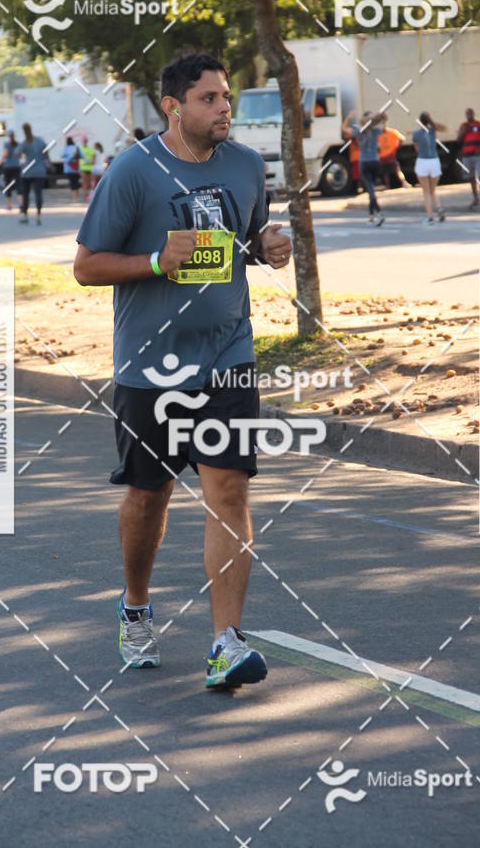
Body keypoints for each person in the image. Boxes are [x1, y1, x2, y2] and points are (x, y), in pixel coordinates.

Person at [73, 53, 292, 690]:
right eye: (209, 99)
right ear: (175, 107)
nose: (225, 108)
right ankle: (136, 606)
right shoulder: (134, 170)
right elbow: (87, 266)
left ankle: (226, 642)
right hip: (151, 365)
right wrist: (154, 259)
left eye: (227, 97)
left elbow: (245, 244)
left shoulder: (247, 165)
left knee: (229, 489)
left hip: (229, 356)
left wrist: (268, 250)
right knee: (149, 496)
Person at [342, 109, 386, 225]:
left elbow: (344, 129)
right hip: (375, 162)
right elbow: (384, 126)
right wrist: (381, 118)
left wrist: (348, 117)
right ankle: (371, 216)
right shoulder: (376, 130)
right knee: (370, 189)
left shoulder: (358, 130)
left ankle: (379, 213)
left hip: (364, 162)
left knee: (371, 190)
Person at [412, 112, 447, 225]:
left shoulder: (416, 134)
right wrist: (433, 123)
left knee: (426, 192)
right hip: (434, 161)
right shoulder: (433, 131)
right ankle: (439, 207)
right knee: (433, 190)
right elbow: (445, 128)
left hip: (422, 161)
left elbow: (417, 149)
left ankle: (430, 217)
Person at [15, 122, 49, 225]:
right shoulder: (40, 140)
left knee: (26, 194)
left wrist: (23, 157)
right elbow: (46, 153)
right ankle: (38, 215)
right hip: (40, 171)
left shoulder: (25, 142)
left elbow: (17, 153)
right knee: (38, 194)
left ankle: (25, 215)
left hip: (27, 171)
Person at [457, 108, 480, 208]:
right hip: (467, 155)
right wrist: (464, 131)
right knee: (470, 177)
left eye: (470, 113)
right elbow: (458, 140)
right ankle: (475, 198)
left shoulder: (479, 125)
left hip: (477, 155)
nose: (469, 115)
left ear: (473, 114)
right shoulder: (463, 126)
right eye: (467, 114)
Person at [378, 119, 409, 189]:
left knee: (386, 173)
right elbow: (402, 139)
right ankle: (404, 182)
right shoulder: (392, 132)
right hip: (390, 155)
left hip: (382, 156)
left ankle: (387, 186)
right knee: (397, 170)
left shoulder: (378, 134)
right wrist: (396, 146)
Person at [0, 131, 22, 211]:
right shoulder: (18, 144)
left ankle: (9, 204)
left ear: (8, 136)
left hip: (8, 166)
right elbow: (20, 155)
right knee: (19, 185)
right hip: (16, 166)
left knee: (8, 185)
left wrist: (1, 161)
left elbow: (5, 154)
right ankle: (20, 203)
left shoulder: (6, 144)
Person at [62, 136, 81, 201]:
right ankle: (77, 197)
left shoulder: (66, 148)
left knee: (72, 183)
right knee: (76, 182)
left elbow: (62, 155)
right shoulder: (76, 148)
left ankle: (74, 198)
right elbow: (82, 156)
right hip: (76, 169)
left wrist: (69, 156)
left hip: (68, 169)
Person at [79, 136, 95, 200]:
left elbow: (94, 159)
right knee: (84, 182)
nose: (85, 142)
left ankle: (88, 194)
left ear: (87, 141)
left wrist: (91, 162)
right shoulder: (80, 149)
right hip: (83, 168)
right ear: (82, 142)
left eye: (85, 141)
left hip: (90, 168)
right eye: (83, 141)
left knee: (89, 183)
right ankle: (85, 195)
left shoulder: (90, 149)